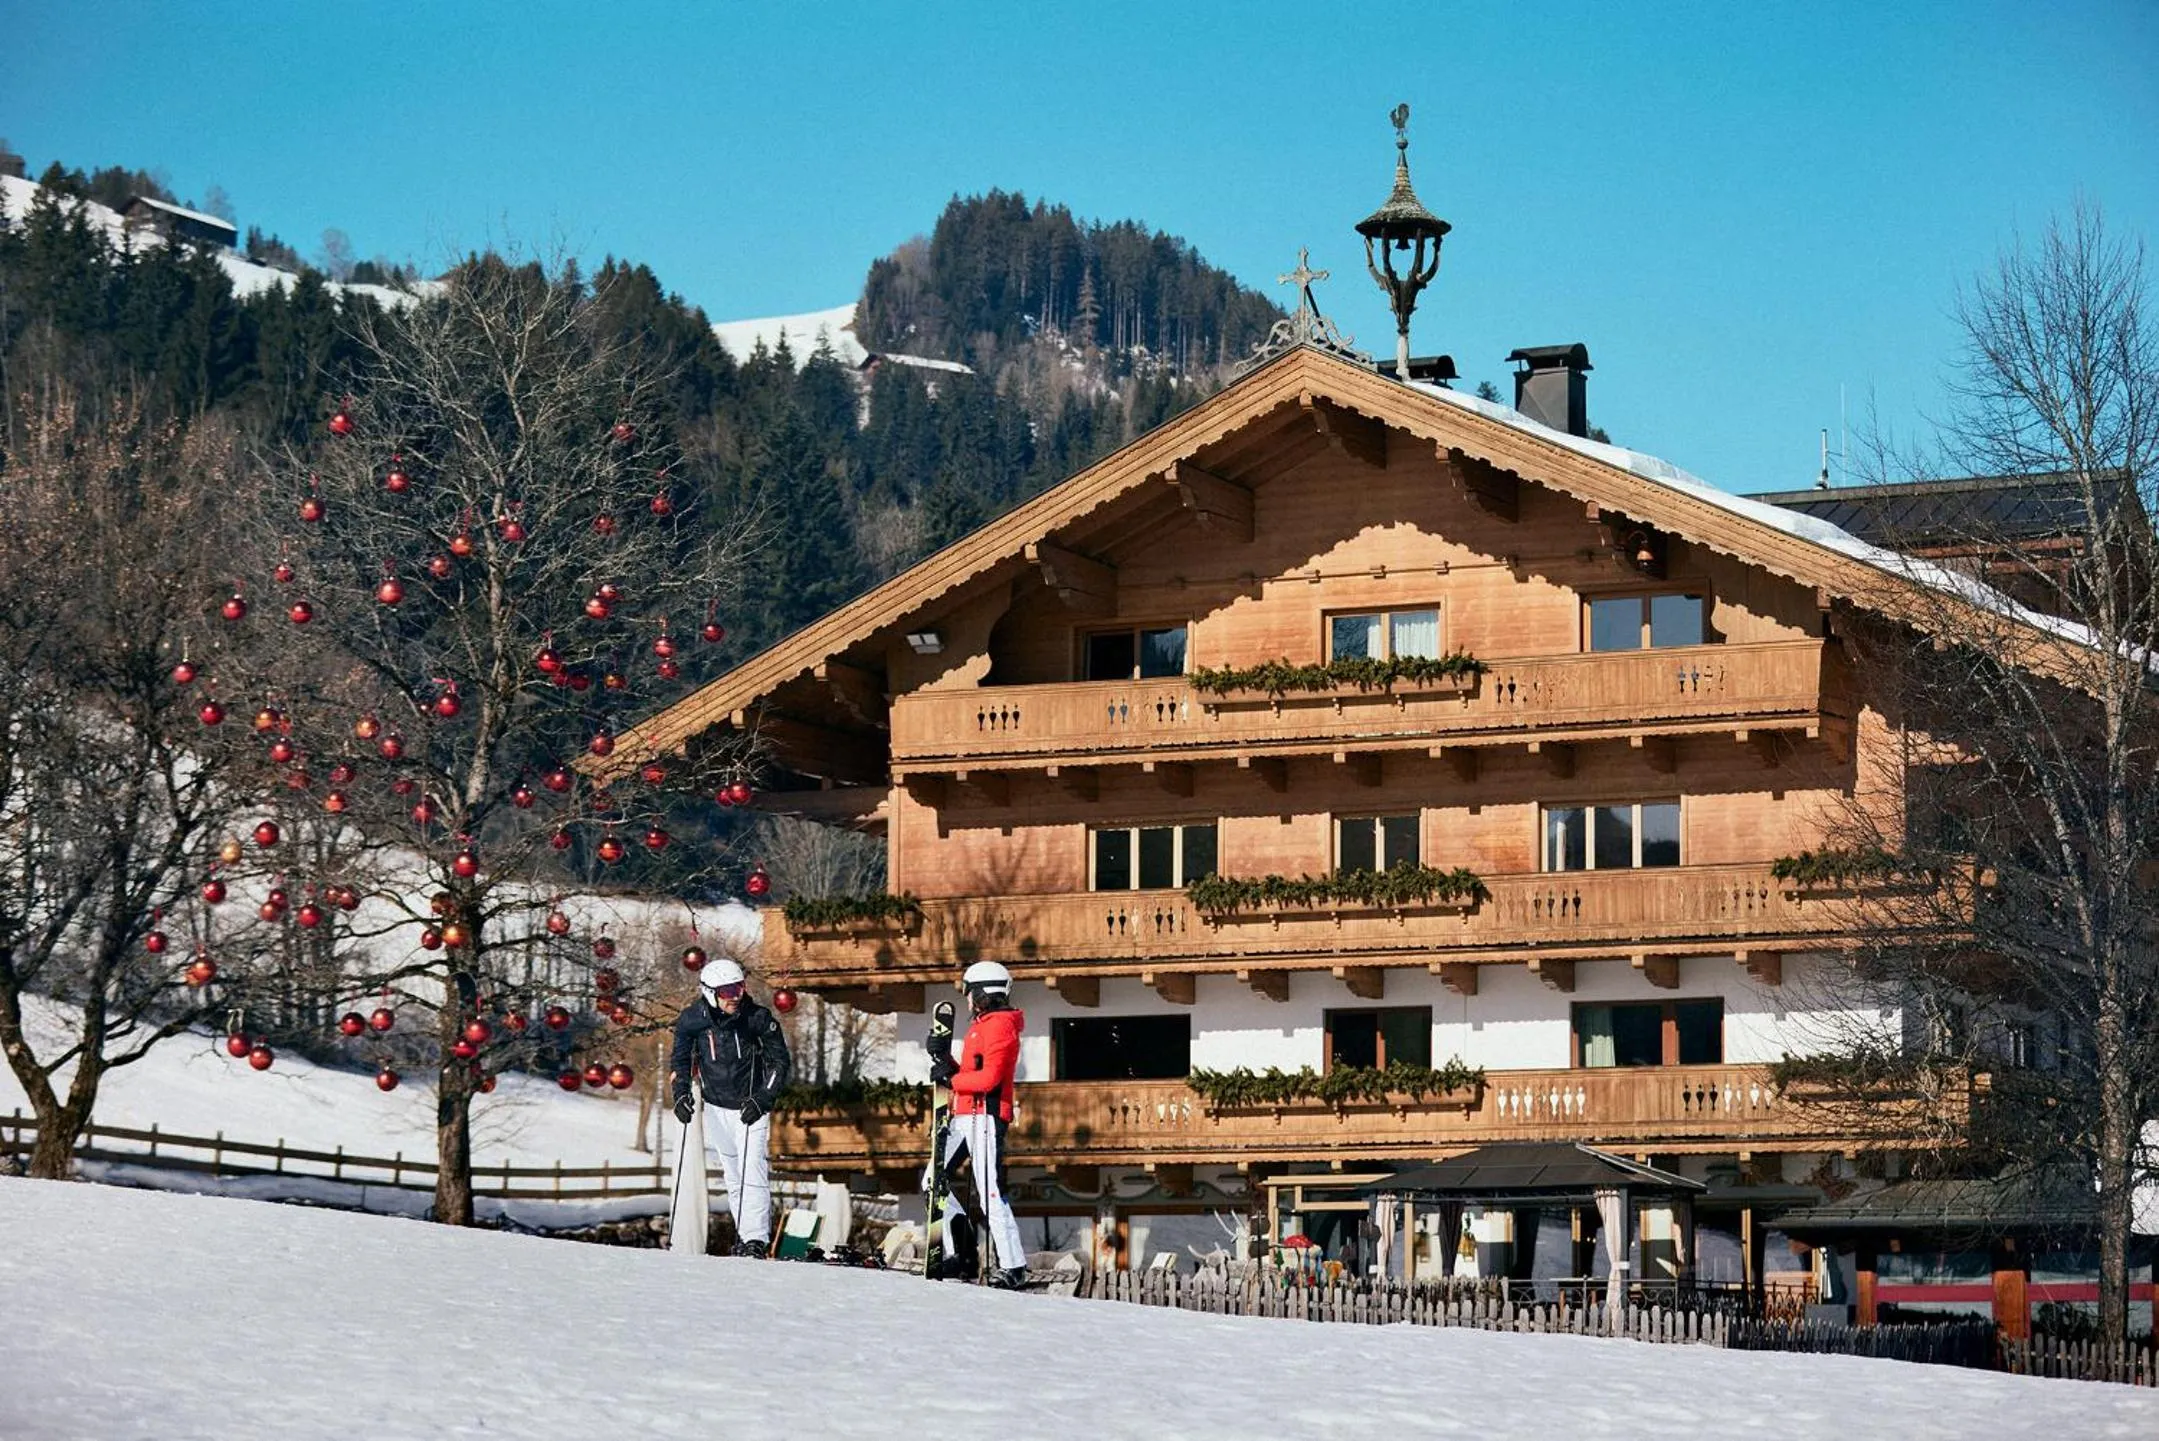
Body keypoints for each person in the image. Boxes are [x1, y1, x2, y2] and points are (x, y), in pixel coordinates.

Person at [671, 958, 792, 1257]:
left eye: (738, 988)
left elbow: (780, 1062)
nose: (735, 996)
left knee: (753, 1170)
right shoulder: (692, 1020)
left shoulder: (757, 1018)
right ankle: (744, 1236)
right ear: (711, 992)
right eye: (727, 991)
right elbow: (681, 1060)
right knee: (732, 1174)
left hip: (748, 1109)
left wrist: (762, 1099)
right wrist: (680, 1094)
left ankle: (756, 1240)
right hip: (715, 1107)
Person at [929, 959, 1030, 1288]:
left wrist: (952, 1078)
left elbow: (989, 1078)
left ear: (983, 993)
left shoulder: (1001, 1026)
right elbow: (971, 1073)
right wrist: (945, 1060)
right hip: (964, 1115)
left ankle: (1014, 1266)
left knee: (990, 1193)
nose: (966, 998)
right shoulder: (982, 1025)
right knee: (933, 1182)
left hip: (985, 1116)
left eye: (969, 991)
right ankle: (962, 1252)